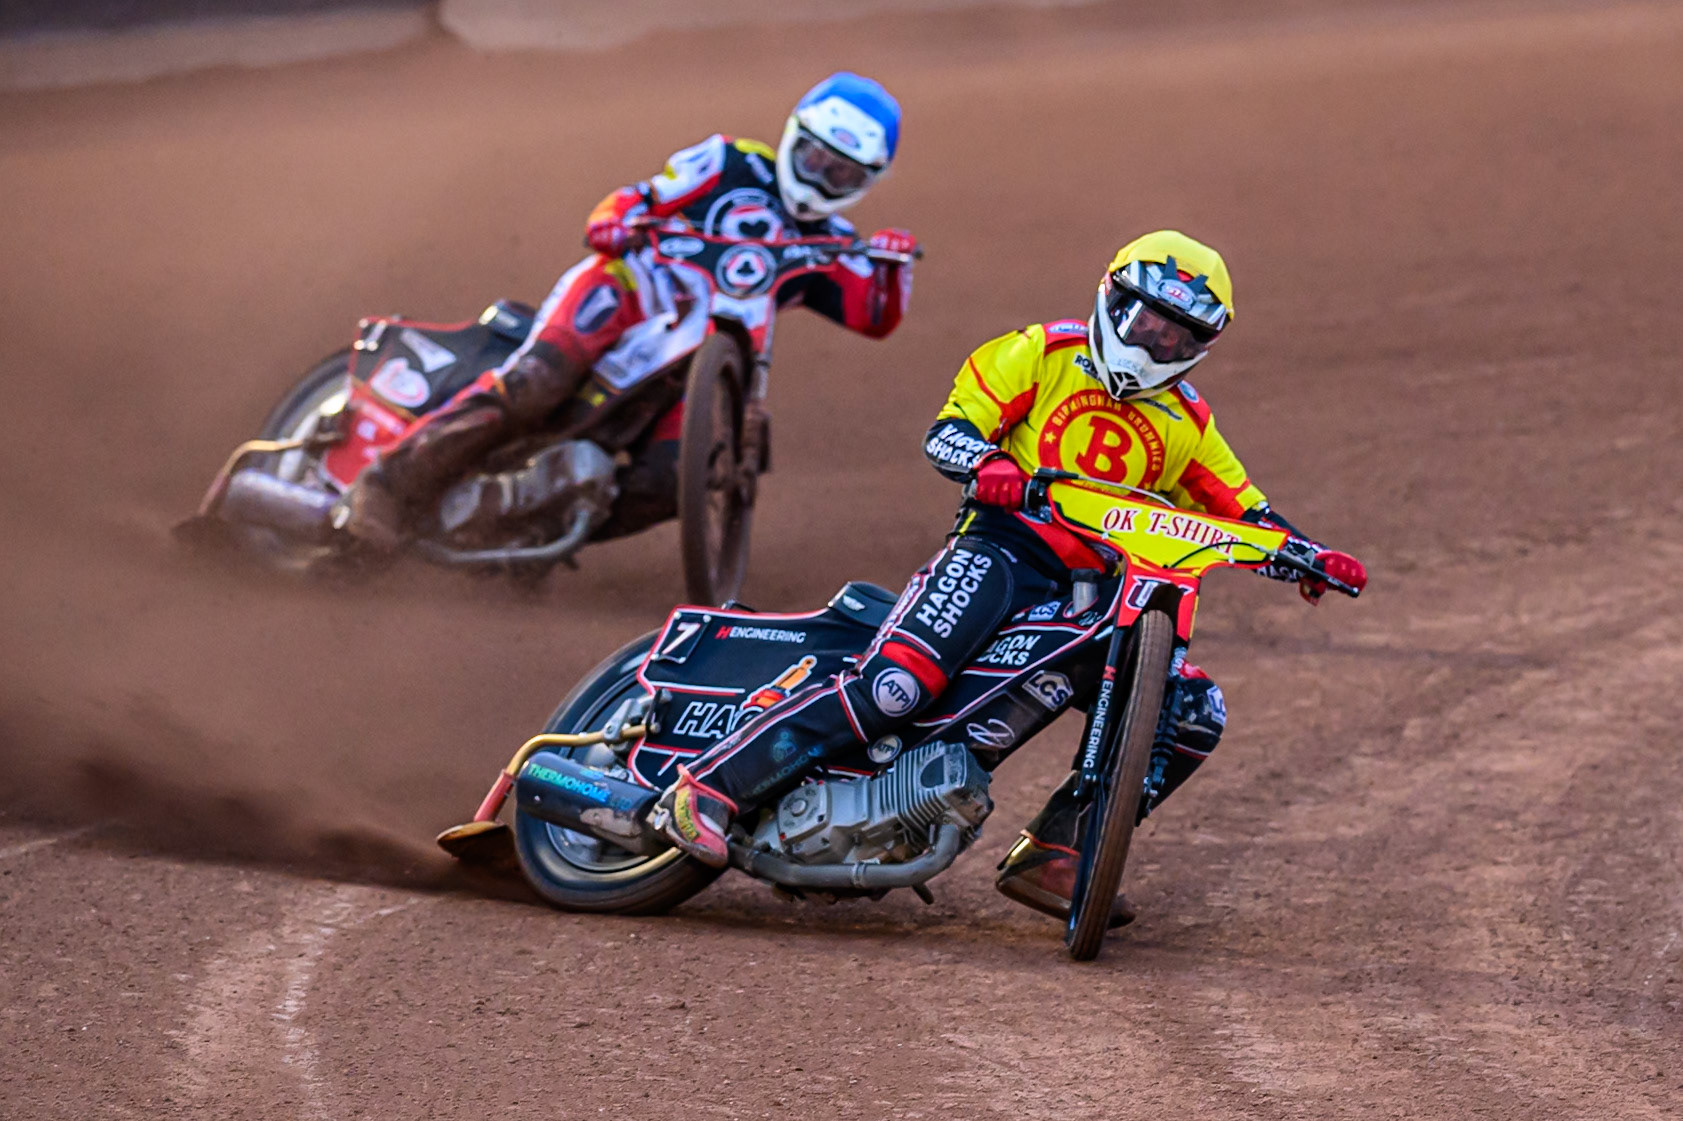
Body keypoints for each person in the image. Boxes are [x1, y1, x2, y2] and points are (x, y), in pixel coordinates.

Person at [652, 230, 1368, 926]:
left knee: (1193, 711)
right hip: (999, 549)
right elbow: (949, 430)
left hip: (1094, 589)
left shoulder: (1187, 421)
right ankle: (710, 787)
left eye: (1178, 337)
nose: (1157, 344)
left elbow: (1245, 510)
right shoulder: (1041, 352)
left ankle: (1058, 852)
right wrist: (987, 464)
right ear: (1113, 300)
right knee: (898, 685)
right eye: (1148, 323)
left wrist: (1306, 554)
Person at [342, 72, 917, 547]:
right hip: (629, 291)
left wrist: (892, 266)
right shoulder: (728, 161)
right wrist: (612, 221)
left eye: (842, 173)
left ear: (866, 181)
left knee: (675, 477)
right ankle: (386, 483)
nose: (821, 178)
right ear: (794, 136)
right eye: (815, 158)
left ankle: (527, 532)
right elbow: (640, 197)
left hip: (694, 367)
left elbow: (873, 317)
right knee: (538, 382)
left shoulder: (834, 244)